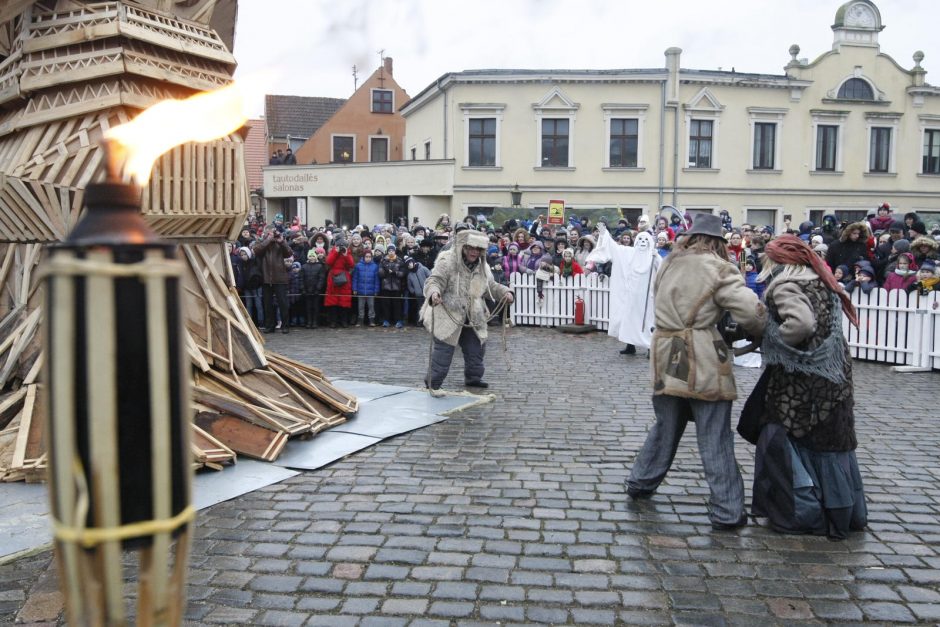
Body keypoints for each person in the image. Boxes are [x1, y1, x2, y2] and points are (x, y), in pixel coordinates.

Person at [626, 213, 767, 531]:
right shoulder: (718, 268)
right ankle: (728, 511)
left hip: (665, 352)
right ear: (718, 241)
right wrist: (763, 326)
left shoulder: (669, 263)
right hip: (701, 355)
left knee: (665, 427)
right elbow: (749, 309)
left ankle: (640, 482)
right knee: (715, 436)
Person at [750, 235, 867, 540]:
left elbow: (801, 325)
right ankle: (842, 511)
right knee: (830, 443)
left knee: (792, 440)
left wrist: (773, 338)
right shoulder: (823, 281)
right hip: (834, 376)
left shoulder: (787, 285)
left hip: (799, 383)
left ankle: (805, 510)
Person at [421, 228, 514, 394]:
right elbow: (434, 280)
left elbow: (490, 287)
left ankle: (474, 378)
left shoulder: (482, 267)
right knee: (443, 352)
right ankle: (432, 383)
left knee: (476, 348)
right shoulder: (447, 262)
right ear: (463, 247)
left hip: (473, 313)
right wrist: (434, 293)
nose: (474, 252)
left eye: (478, 249)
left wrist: (505, 292)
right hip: (448, 312)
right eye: (471, 248)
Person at [587, 228, 661, 356]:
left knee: (647, 321)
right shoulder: (629, 253)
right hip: (632, 295)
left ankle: (650, 347)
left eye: (645, 240)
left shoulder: (653, 256)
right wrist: (605, 233)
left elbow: (662, 268)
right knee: (630, 320)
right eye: (640, 239)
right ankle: (630, 345)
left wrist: (657, 257)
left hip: (646, 297)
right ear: (636, 241)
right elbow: (614, 248)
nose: (643, 242)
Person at [254, 226, 293, 334]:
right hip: (266, 278)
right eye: (269, 232)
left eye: (273, 232)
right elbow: (256, 250)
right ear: (266, 233)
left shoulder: (280, 242)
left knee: (283, 303)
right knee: (267, 304)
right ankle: (269, 326)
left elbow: (289, 253)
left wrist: (282, 242)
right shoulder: (262, 242)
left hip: (280, 278)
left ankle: (285, 326)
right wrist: (268, 240)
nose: (272, 234)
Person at [325, 238, 354, 327]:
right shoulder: (333, 251)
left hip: (344, 278)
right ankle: (333, 321)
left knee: (344, 301)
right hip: (333, 277)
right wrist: (335, 252)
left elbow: (351, 264)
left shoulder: (347, 252)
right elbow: (328, 262)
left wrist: (346, 255)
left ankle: (343, 321)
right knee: (333, 301)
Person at [302, 248, 327, 328]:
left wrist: (318, 288)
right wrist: (303, 289)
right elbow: (301, 278)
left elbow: (321, 278)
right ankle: (309, 321)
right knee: (308, 307)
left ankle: (315, 321)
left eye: (313, 256)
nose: (312, 257)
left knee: (316, 307)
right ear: (308, 257)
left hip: (316, 291)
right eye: (310, 256)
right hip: (307, 290)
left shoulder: (319, 266)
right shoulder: (304, 266)